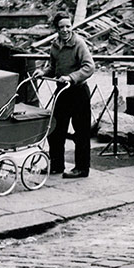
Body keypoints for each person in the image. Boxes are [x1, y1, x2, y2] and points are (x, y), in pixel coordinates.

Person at [34, 11, 95, 179]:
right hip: (62, 91)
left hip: (78, 92)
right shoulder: (55, 46)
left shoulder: (79, 44)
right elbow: (54, 68)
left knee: (81, 132)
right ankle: (56, 165)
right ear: (56, 29)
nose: (65, 30)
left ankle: (82, 169)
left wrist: (71, 77)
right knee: (55, 129)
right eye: (62, 27)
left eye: (68, 26)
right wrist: (43, 72)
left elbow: (89, 67)